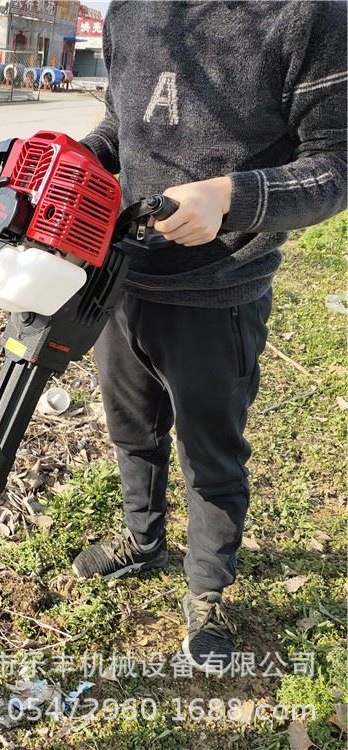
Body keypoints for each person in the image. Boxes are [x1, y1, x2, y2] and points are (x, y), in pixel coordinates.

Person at [71, 1, 347, 673]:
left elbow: (337, 166)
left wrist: (230, 196)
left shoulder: (307, 15)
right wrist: (79, 157)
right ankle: (143, 538)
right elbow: (124, 122)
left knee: (211, 457)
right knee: (131, 431)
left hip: (219, 291)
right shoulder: (134, 10)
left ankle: (208, 591)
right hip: (122, 280)